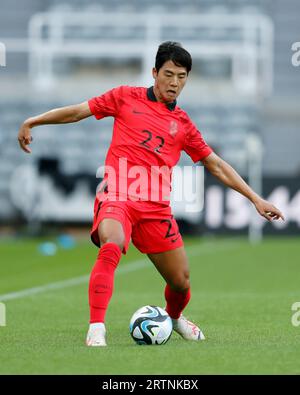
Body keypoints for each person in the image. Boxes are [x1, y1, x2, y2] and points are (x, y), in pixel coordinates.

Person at [18, 41, 284, 347]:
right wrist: (33, 120)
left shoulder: (183, 124)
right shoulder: (123, 97)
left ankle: (173, 318)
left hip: (156, 209)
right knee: (112, 244)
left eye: (181, 76)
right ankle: (96, 328)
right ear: (154, 72)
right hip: (117, 193)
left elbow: (216, 165)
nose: (174, 82)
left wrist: (255, 198)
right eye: (168, 74)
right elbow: (78, 112)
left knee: (181, 283)